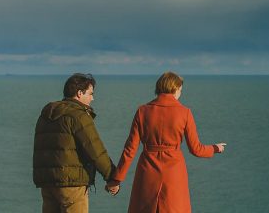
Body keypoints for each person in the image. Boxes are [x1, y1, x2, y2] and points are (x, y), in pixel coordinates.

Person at [107, 71, 226, 213]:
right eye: (180, 90)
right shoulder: (185, 112)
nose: (180, 94)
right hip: (174, 173)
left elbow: (130, 149)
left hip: (147, 171)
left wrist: (117, 179)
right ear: (174, 89)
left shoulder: (142, 111)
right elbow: (196, 149)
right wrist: (215, 148)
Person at [33, 72, 118, 213]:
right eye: (90, 94)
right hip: (72, 185)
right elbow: (95, 149)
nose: (93, 98)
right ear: (79, 93)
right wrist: (112, 177)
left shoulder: (46, 114)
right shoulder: (79, 115)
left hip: (48, 183)